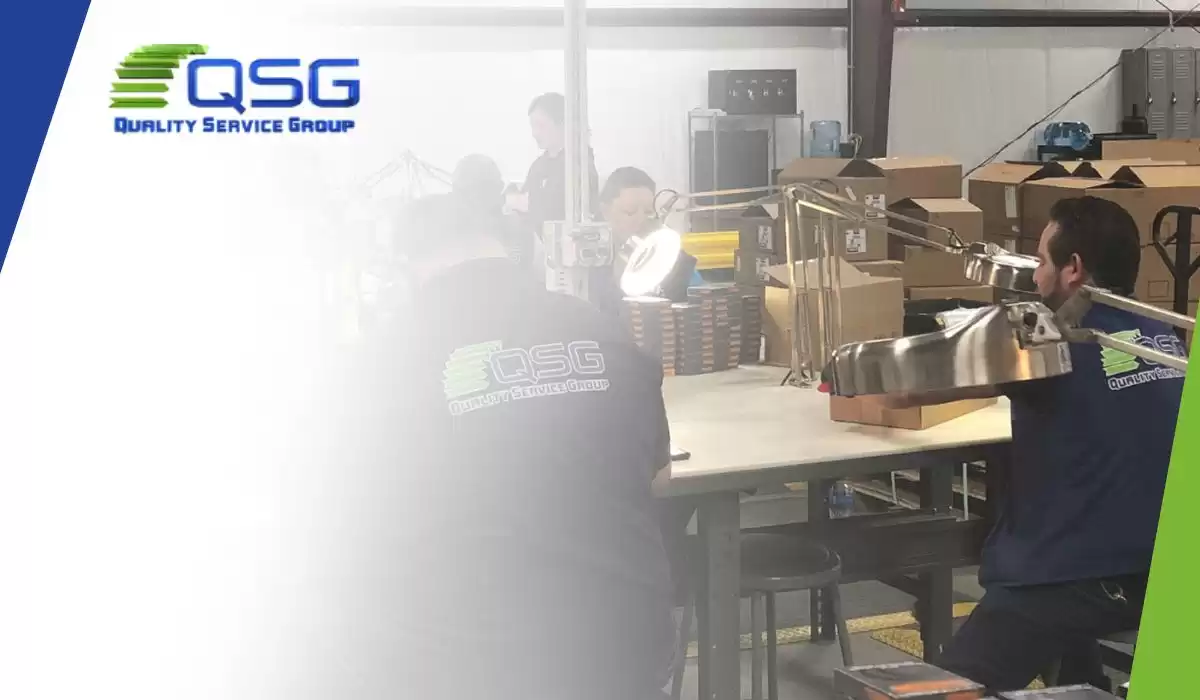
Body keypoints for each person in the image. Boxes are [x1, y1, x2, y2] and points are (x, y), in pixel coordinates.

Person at [347, 190, 675, 700]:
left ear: (406, 269)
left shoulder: (381, 361)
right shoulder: (601, 329)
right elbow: (660, 478)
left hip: (476, 667)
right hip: (626, 653)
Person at [882, 196, 1187, 693]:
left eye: (1042, 261)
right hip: (1166, 573)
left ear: (1074, 269)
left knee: (941, 690)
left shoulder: (1049, 343)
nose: (1036, 275)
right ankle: (1084, 679)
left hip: (1074, 579)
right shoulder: (1164, 333)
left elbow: (903, 391)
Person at [593, 166, 703, 315]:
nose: (642, 219)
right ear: (605, 211)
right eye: (630, 212)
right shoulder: (591, 268)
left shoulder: (676, 262)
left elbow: (701, 303)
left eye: (648, 212)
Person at [509, 92, 600, 242]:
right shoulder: (538, 166)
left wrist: (525, 204)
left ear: (563, 124)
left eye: (541, 126)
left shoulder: (580, 165)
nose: (534, 133)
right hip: (537, 244)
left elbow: (558, 210)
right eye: (532, 126)